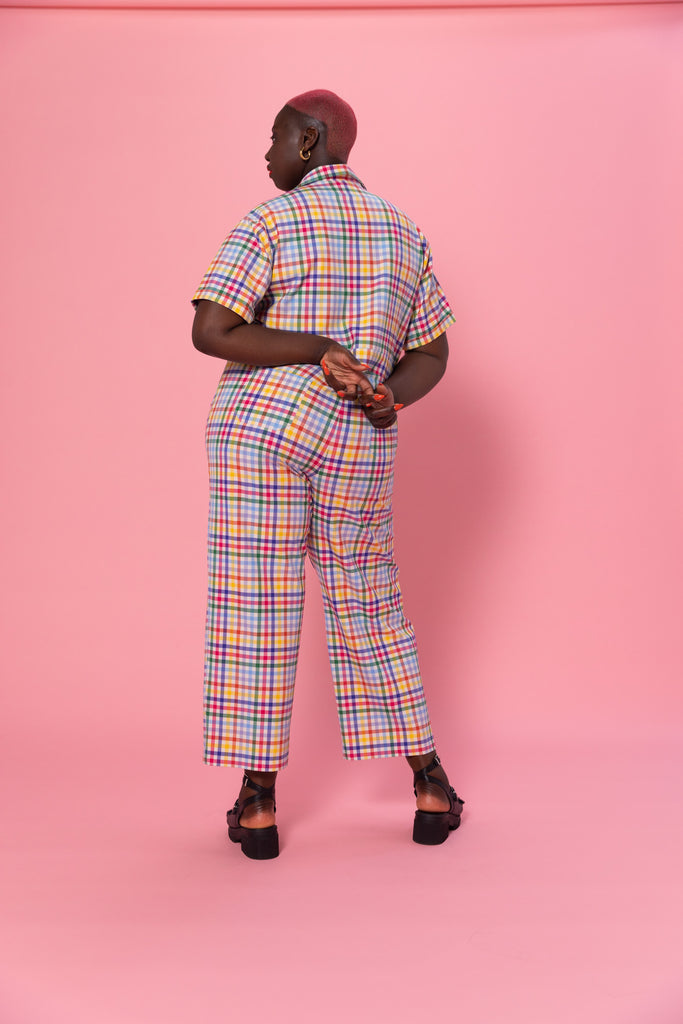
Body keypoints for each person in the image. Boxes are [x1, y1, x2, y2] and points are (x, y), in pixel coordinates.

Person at [192, 89, 464, 859]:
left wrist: (313, 346)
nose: (267, 152)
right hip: (356, 439)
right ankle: (429, 784)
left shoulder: (269, 220)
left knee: (256, 604)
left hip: (262, 432)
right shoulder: (403, 233)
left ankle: (257, 804)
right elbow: (433, 352)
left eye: (276, 137)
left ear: (310, 141)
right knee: (369, 600)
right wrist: (387, 397)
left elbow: (211, 329)